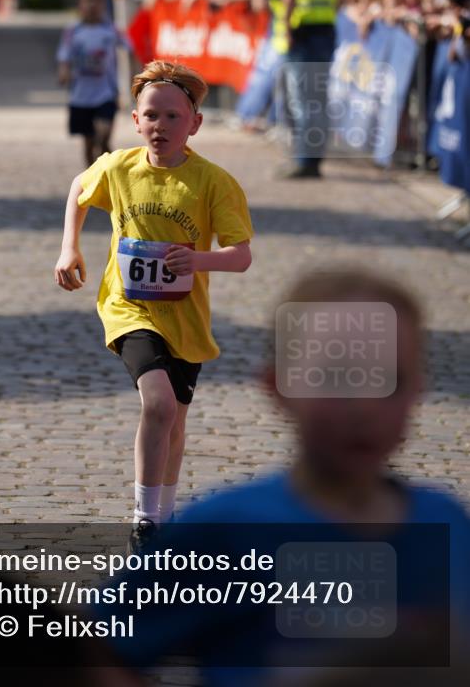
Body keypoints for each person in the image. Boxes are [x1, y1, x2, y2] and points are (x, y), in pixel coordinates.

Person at [94, 267, 470, 684]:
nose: (365, 405)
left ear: (419, 389)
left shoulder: (448, 525)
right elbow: (97, 654)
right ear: (278, 387)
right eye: (336, 377)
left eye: (391, 380)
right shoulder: (225, 531)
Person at [54, 60, 253, 552]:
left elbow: (241, 257)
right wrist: (69, 247)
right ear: (135, 119)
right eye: (151, 116)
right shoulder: (119, 166)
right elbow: (80, 189)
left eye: (172, 117)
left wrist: (198, 259)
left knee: (176, 419)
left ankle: (164, 519)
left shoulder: (214, 182)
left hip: (185, 316)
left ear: (195, 124)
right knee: (159, 403)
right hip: (127, 308)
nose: (160, 126)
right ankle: (145, 519)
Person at [278, 0, 342, 178]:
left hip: (304, 30)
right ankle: (314, 159)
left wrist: (285, 23)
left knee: (301, 99)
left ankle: (305, 160)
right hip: (325, 29)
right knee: (317, 98)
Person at [57, 0, 124, 166]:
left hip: (106, 93)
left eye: (96, 0)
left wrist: (133, 80)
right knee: (88, 144)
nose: (91, 5)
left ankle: (117, 168)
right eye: (87, 1)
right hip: (80, 96)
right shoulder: (73, 31)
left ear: (103, 4)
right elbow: (64, 55)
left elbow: (129, 50)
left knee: (102, 136)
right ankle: (92, 181)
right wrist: (63, 72)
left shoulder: (111, 30)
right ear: (80, 5)